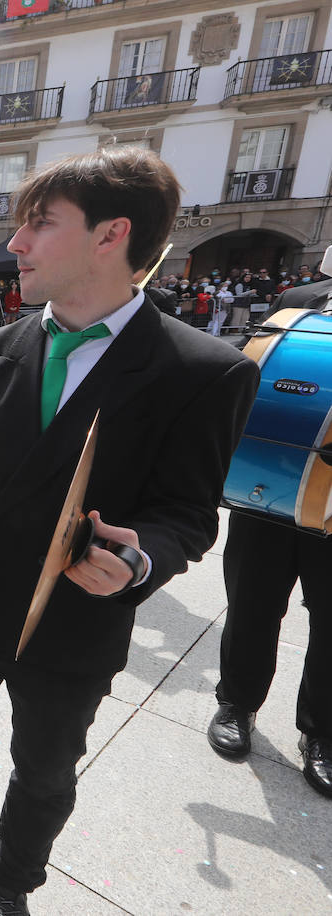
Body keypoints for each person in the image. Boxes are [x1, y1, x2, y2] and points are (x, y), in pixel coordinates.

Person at [0, 146, 259, 915]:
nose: (16, 245)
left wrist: (140, 562)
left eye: (40, 224)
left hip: (74, 618)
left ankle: (9, 883)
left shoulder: (205, 369)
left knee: (44, 770)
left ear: (112, 237)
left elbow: (189, 516)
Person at [207, 270, 332, 799]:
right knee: (252, 602)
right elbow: (253, 369)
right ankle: (237, 701)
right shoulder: (299, 305)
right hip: (271, 487)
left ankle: (322, 731)